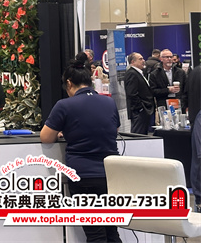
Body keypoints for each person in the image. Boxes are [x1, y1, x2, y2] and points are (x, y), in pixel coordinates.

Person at [40, 53, 122, 243]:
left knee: (95, 234)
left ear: (69, 83)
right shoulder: (109, 102)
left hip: (82, 176)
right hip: (110, 175)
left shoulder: (64, 105)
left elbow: (45, 137)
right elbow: (115, 129)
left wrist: (63, 132)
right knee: (111, 232)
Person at [124, 52, 154, 135]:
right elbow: (131, 93)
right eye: (140, 59)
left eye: (143, 58)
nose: (143, 61)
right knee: (138, 136)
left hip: (143, 111)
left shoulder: (139, 73)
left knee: (143, 135)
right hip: (139, 112)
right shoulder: (132, 73)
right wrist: (141, 108)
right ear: (133, 62)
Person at [185, 65, 201, 212]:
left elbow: (185, 96)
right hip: (198, 119)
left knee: (197, 161)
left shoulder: (194, 72)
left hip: (195, 118)